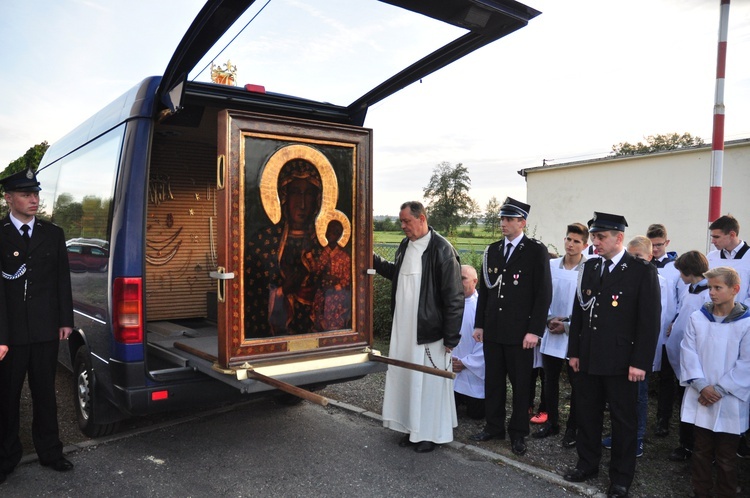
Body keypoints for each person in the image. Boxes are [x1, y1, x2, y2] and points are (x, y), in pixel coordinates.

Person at [564, 212, 661, 498]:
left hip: (622, 362)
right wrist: (574, 352)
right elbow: (579, 312)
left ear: (619, 238)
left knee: (623, 421)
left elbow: (649, 321)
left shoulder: (641, 271)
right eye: (593, 236)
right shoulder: (591, 267)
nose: (595, 242)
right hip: (590, 357)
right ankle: (587, 464)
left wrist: (640, 362)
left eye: (601, 237)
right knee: (587, 414)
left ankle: (620, 478)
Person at [0, 169, 75, 482]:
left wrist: (65, 321)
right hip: (10, 335)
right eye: (25, 194)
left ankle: (50, 452)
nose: (34, 200)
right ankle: (6, 458)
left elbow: (61, 280)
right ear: (8, 198)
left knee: (46, 394)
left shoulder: (52, 233)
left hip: (46, 330)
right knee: (6, 398)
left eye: (36, 194)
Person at [373, 201, 464, 453]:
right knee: (408, 377)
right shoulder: (405, 245)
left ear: (421, 218)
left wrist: (451, 337)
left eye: (406, 221)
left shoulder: (442, 250)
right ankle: (411, 427)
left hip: (429, 332)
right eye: (401, 222)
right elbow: (399, 275)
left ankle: (430, 434)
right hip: (403, 328)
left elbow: (454, 297)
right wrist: (374, 260)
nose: (402, 226)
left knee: (429, 382)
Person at [471, 197, 552, 456]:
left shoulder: (535, 250)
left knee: (520, 386)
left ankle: (518, 432)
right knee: (493, 382)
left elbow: (543, 294)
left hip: (520, 334)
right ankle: (493, 426)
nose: (503, 223)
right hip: (494, 330)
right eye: (502, 219)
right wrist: (480, 324)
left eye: (508, 219)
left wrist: (535, 331)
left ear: (522, 222)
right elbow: (485, 291)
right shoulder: (493, 250)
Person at [679, 266, 750, 498]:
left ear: (735, 289)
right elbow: (688, 352)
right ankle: (701, 492)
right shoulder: (698, 318)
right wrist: (701, 385)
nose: (711, 293)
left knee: (727, 456)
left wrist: (718, 389)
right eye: (710, 288)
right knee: (701, 450)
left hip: (729, 398)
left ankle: (726, 492)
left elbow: (746, 363)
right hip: (701, 394)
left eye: (718, 288)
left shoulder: (746, 323)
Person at [245, 159, 326, 337]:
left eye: (309, 194)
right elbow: (252, 297)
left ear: (318, 199)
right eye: (296, 193)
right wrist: (282, 291)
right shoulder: (262, 241)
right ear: (283, 196)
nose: (302, 203)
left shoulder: (324, 244)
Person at [533, 223, 588, 448]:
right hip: (550, 329)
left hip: (575, 334)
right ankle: (552, 422)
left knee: (577, 384)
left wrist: (567, 326)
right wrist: (547, 320)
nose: (571, 244)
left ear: (585, 245)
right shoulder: (551, 265)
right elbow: (541, 295)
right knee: (550, 380)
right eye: (568, 239)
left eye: (576, 241)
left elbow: (589, 306)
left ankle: (572, 428)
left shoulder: (589, 268)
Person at [665, 250, 711, 463]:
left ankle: (695, 447)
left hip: (695, 359)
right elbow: (682, 313)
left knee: (695, 405)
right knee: (685, 403)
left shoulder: (707, 294)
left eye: (681, 272)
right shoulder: (688, 289)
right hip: (680, 355)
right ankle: (686, 444)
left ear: (688, 272)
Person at [646, 223, 682, 438]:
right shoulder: (641, 264)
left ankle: (663, 419)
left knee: (666, 378)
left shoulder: (675, 268)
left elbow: (681, 299)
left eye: (659, 245)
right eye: (652, 245)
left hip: (667, 330)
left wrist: (675, 321)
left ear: (666, 243)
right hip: (645, 329)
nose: (656, 249)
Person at [452, 265, 485, 420]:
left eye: (463, 279)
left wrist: (465, 363)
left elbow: (485, 343)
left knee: (476, 415)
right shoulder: (447, 304)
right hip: (449, 368)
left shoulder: (482, 308)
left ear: (475, 281)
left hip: (473, 372)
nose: (459, 282)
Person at [313, 219, 352, 331]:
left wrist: (335, 287)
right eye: (329, 231)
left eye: (335, 232)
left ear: (339, 235)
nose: (331, 234)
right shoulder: (322, 253)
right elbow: (316, 271)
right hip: (322, 292)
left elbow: (347, 279)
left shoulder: (344, 256)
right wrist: (310, 258)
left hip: (337, 295)